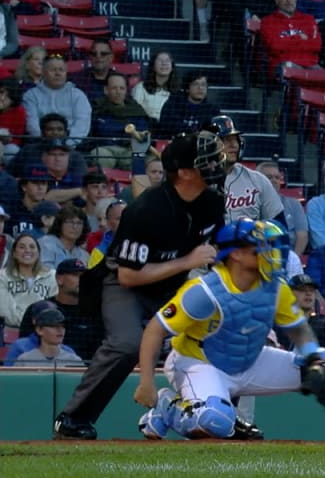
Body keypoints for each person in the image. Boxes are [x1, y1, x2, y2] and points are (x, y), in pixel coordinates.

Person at [134, 218, 325, 442]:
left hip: (250, 360)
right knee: (216, 421)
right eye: (260, 247)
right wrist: (147, 381)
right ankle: (168, 406)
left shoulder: (275, 287)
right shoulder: (204, 290)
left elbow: (298, 331)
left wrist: (314, 357)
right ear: (237, 254)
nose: (271, 253)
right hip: (198, 362)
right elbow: (154, 330)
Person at [53, 132, 228, 440]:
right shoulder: (147, 209)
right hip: (126, 284)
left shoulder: (212, 201)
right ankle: (73, 419)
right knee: (126, 343)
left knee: (222, 330)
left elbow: (221, 247)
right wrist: (187, 262)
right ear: (185, 172)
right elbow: (127, 276)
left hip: (171, 284)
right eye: (207, 160)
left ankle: (220, 415)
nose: (216, 163)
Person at [23, 55, 90, 147]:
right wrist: (45, 144)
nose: (57, 73)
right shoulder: (31, 95)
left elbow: (82, 124)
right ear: (43, 72)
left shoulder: (78, 95)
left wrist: (68, 145)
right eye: (53, 70)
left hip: (73, 146)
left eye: (61, 70)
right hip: (39, 144)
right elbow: (32, 125)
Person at [258, 0, 321, 79]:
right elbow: (275, 47)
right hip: (282, 66)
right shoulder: (267, 22)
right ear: (276, 0)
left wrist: (287, 40)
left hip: (310, 65)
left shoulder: (308, 19)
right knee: (290, 68)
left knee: (322, 75)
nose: (289, 0)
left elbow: (316, 45)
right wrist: (300, 38)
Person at [0, 232, 57, 329]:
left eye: (32, 247)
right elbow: (6, 313)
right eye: (22, 247)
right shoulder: (2, 276)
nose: (27, 251)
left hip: (46, 332)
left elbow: (55, 311)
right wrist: (32, 324)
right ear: (14, 253)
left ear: (39, 253)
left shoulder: (52, 276)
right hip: (10, 331)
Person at [256, 161, 308, 255]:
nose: (274, 180)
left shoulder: (294, 204)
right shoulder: (248, 205)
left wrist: (292, 259)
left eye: (277, 177)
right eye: (269, 177)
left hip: (288, 257)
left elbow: (302, 236)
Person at [10, 307, 83, 366]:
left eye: (63, 326)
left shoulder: (74, 361)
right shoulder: (24, 361)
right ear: (39, 330)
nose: (60, 330)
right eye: (54, 326)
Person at [156, 72, 221, 137]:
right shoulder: (173, 105)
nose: (200, 88)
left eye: (203, 85)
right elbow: (166, 127)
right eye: (195, 84)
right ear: (187, 88)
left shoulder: (212, 110)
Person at [131, 52, 178, 124]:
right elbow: (135, 113)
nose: (164, 63)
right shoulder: (140, 88)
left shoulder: (178, 90)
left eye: (167, 60)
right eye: (160, 60)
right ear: (153, 66)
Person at [38, 205, 89, 269]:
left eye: (79, 223)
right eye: (70, 222)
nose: (75, 227)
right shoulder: (46, 244)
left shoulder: (84, 255)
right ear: (60, 224)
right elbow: (45, 273)